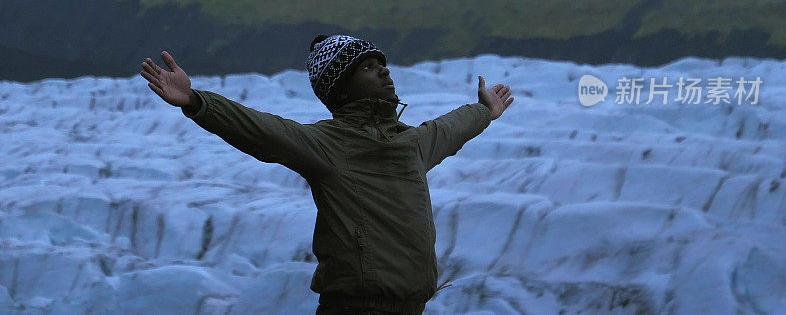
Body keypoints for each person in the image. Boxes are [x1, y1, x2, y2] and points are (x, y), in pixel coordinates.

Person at [139, 35, 514, 315]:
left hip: (412, 307)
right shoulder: (329, 145)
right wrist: (197, 102)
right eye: (367, 67)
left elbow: (451, 127)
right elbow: (261, 129)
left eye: (381, 63)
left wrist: (485, 110)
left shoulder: (412, 143)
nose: (383, 70)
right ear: (342, 89)